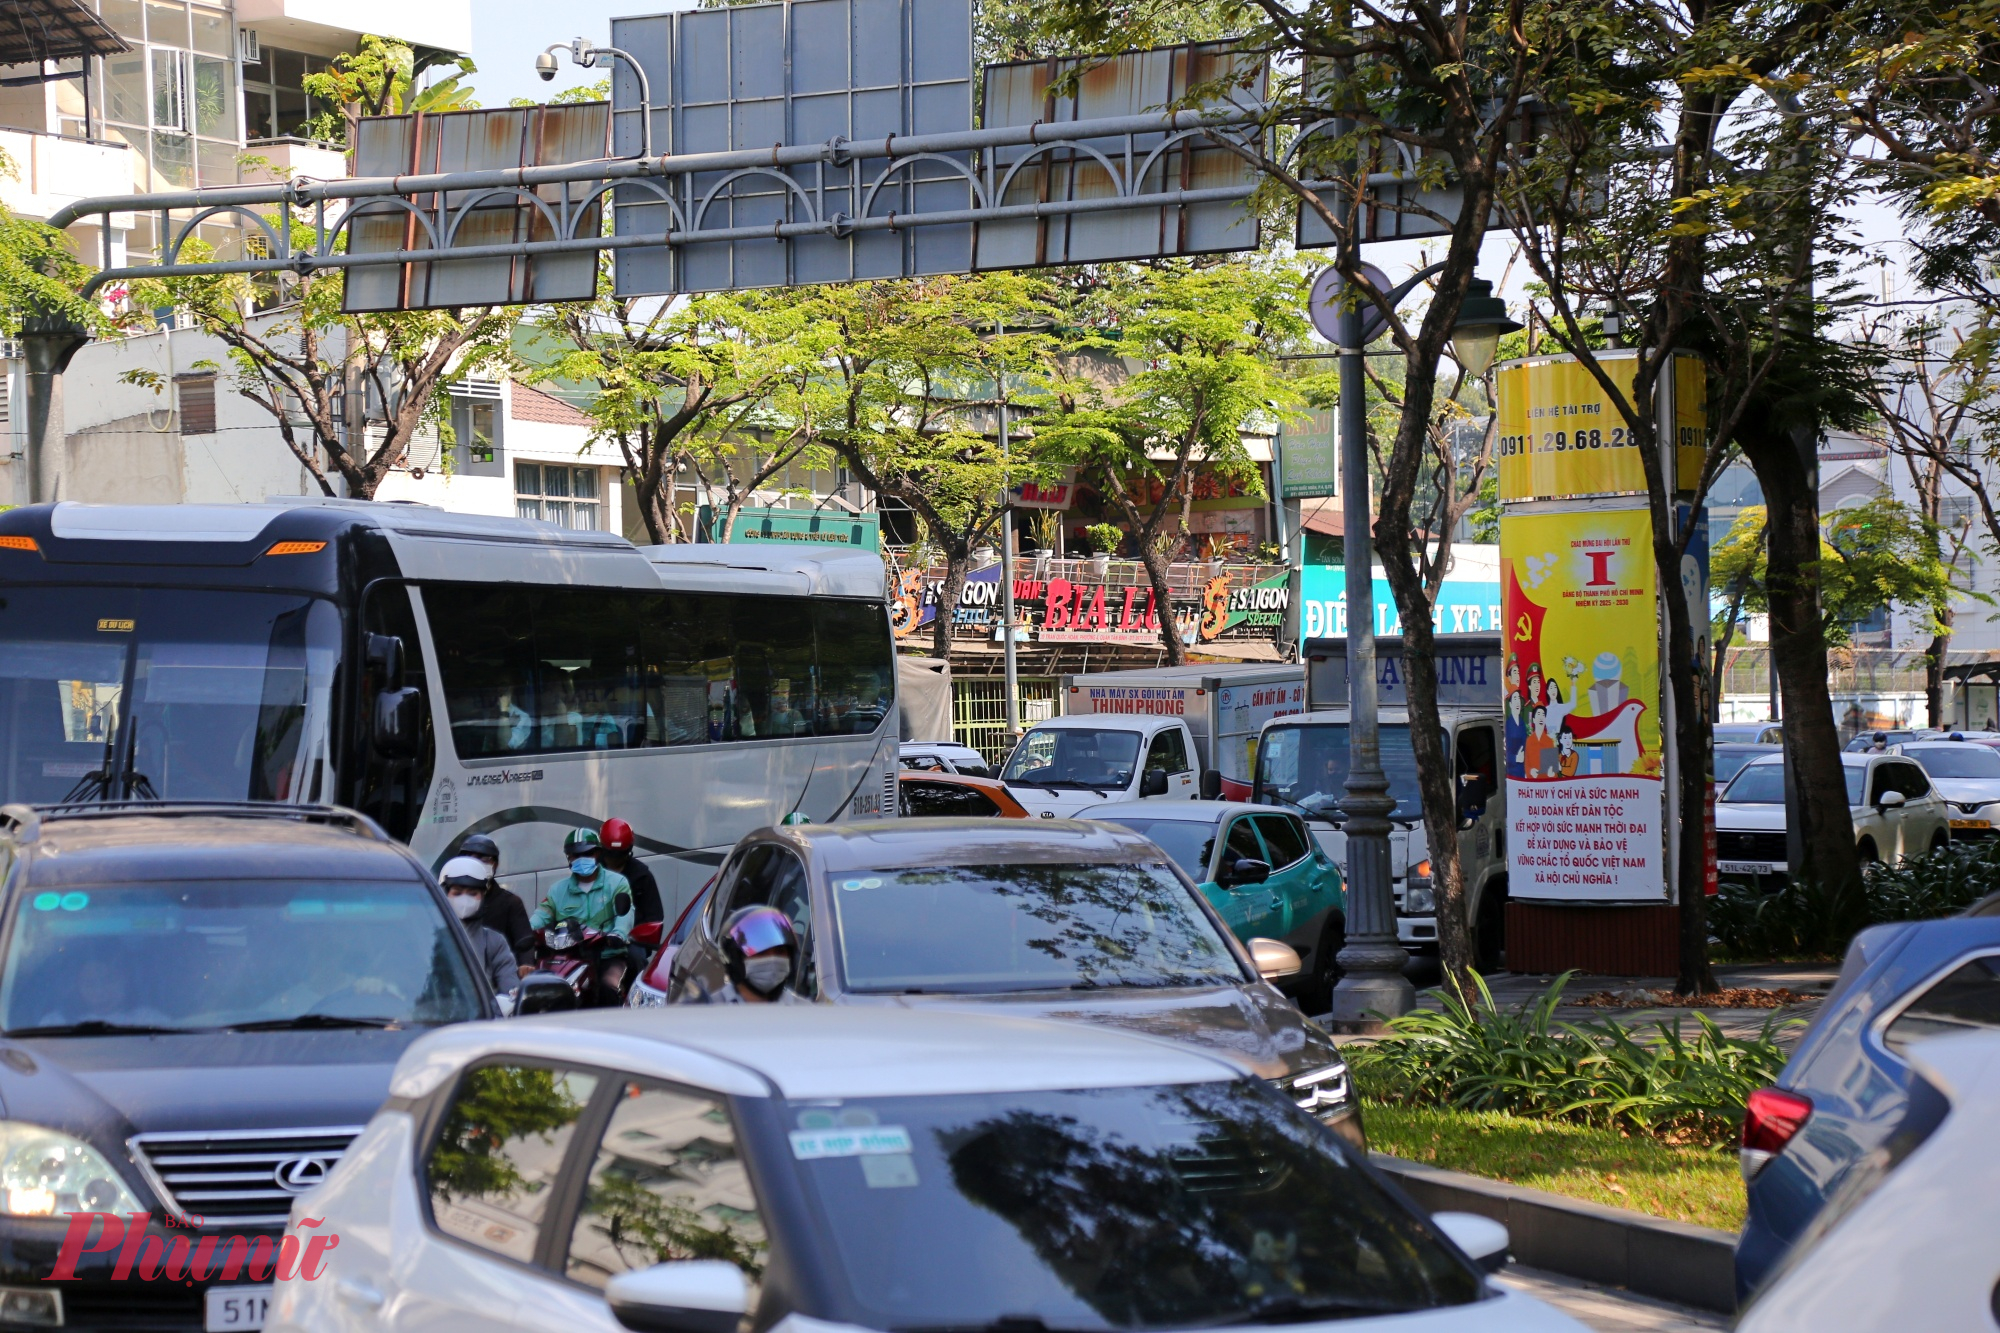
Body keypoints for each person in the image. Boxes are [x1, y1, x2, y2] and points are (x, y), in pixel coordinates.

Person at [531, 828, 635, 991]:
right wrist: (527, 931)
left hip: (608, 956)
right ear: (569, 858)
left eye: (587, 854)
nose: (581, 859)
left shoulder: (617, 883)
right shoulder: (557, 890)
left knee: (609, 987)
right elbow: (542, 915)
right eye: (575, 855)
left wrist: (618, 934)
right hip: (568, 959)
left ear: (598, 854)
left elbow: (625, 913)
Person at [684, 906, 808, 1005]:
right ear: (736, 959)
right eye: (761, 952)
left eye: (780, 952)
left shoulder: (806, 1014)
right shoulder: (710, 1012)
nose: (772, 959)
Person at [440, 856, 522, 998]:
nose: (465, 899)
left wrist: (509, 1000)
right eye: (457, 893)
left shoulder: (494, 942)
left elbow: (510, 990)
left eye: (473, 894)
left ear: (483, 896)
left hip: (482, 1019)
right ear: (443, 893)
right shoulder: (427, 938)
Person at [458, 833, 537, 977]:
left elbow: (524, 944)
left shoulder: (511, 903)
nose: (477, 863)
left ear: (496, 864)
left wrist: (525, 966)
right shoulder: (446, 902)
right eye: (457, 893)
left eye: (485, 859)